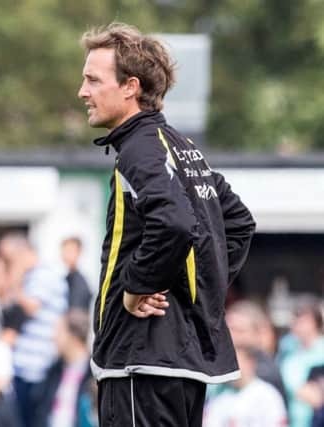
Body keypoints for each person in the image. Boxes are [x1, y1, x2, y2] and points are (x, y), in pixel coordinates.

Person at [78, 23, 256, 426]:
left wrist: (137, 286)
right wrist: (188, 291)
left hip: (142, 361)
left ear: (130, 87)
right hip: (179, 362)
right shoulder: (179, 145)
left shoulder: (140, 149)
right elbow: (239, 224)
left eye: (92, 79)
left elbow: (173, 223)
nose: (82, 92)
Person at [0, 232, 68, 427]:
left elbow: (30, 306)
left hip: (39, 364)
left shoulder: (44, 274)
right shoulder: (32, 276)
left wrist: (15, 278)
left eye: (10, 259)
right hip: (24, 364)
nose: (9, 265)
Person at [34, 309, 95, 427]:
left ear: (73, 336)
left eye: (59, 332)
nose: (53, 337)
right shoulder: (54, 371)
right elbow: (41, 411)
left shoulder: (93, 373)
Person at [203, 345, 287, 426]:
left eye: (235, 361)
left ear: (250, 363)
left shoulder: (267, 394)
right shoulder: (220, 395)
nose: (230, 367)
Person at [279, 299, 324, 427]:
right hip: (293, 419)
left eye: (303, 321)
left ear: (316, 323)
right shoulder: (287, 348)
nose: (297, 324)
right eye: (296, 320)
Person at [61, 237, 93, 312]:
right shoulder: (60, 277)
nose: (66, 254)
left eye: (70, 251)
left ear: (79, 253)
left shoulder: (80, 282)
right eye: (65, 250)